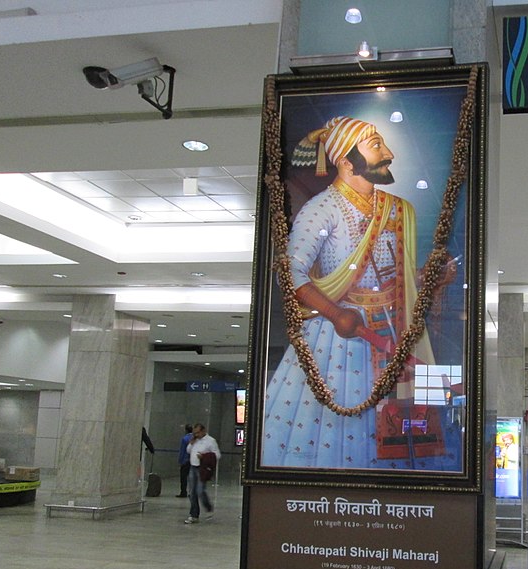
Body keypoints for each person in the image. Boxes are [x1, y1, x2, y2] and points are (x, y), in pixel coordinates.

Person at [261, 115, 452, 470]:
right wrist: (335, 314)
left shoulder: (398, 209)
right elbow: (290, 272)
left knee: (405, 424)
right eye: (377, 145)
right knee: (339, 433)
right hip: (340, 337)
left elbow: (401, 281)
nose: (389, 153)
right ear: (347, 162)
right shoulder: (322, 208)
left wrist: (431, 277)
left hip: (394, 330)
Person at [184, 423, 220, 524]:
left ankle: (208, 507)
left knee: (200, 490)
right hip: (193, 467)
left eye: (198, 433)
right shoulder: (194, 440)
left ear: (203, 431)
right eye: (194, 433)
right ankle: (194, 514)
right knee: (192, 492)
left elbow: (217, 455)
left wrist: (204, 457)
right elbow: (188, 451)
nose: (196, 435)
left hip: (202, 469)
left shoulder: (211, 441)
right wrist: (191, 443)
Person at [176, 424, 193, 498]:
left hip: (185, 461)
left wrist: (180, 461)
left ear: (186, 430)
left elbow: (182, 451)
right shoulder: (195, 438)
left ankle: (183, 492)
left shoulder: (185, 439)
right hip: (193, 461)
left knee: (183, 477)